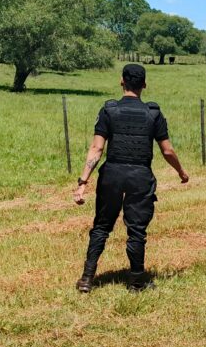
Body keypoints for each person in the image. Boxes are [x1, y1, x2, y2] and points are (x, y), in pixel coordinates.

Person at [74, 63, 188, 292]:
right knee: (136, 229)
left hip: (112, 174)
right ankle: (136, 282)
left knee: (101, 226)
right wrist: (181, 172)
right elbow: (167, 150)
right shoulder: (153, 113)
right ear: (144, 85)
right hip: (140, 176)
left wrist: (83, 181)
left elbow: (96, 149)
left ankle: (87, 279)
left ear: (121, 82)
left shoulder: (109, 110)